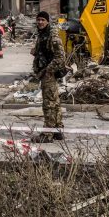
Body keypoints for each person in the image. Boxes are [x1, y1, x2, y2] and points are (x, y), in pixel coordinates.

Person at [31, 11, 66, 142]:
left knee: (49, 105)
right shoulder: (43, 34)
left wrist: (48, 71)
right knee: (55, 103)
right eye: (38, 19)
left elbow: (60, 57)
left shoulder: (53, 36)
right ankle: (58, 131)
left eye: (42, 20)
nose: (40, 22)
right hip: (46, 73)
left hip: (49, 75)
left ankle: (47, 134)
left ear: (47, 21)